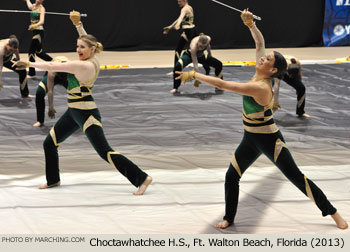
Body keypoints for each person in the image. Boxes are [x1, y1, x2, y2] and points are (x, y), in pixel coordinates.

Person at [176, 10, 348, 230]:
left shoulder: (260, 87)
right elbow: (260, 42)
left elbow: (224, 85)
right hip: (250, 139)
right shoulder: (261, 73)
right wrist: (250, 25)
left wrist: (195, 74)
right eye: (264, 57)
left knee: (297, 178)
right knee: (231, 176)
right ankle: (229, 217)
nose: (261, 58)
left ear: (273, 69)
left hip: (270, 141)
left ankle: (333, 213)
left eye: (266, 59)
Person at [13, 11, 152, 195]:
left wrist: (29, 64)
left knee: (105, 152)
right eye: (77, 46)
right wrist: (78, 25)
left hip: (86, 114)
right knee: (49, 143)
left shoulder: (83, 66)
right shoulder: (92, 59)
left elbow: (53, 67)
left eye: (82, 48)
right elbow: (86, 40)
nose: (78, 50)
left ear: (92, 50)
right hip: (74, 112)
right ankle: (53, 180)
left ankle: (141, 178)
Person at [163, 0, 210, 75]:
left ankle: (175, 70)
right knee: (199, 51)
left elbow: (180, 18)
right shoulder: (189, 7)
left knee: (178, 50)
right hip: (193, 30)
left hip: (188, 32)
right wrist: (170, 27)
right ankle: (207, 69)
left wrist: (177, 25)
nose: (178, 3)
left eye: (180, 1)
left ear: (185, 1)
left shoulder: (184, 9)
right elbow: (179, 19)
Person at [33, 56, 69, 127]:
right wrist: (51, 108)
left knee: (78, 93)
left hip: (67, 75)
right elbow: (50, 91)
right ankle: (40, 120)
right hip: (53, 74)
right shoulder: (52, 69)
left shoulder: (71, 69)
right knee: (39, 92)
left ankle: (81, 117)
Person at [25, 0, 52, 78]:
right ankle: (54, 63)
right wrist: (27, 0)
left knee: (31, 52)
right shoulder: (33, 6)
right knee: (39, 52)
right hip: (35, 31)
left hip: (39, 32)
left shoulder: (42, 8)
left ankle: (31, 73)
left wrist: (34, 25)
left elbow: (42, 21)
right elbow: (29, 6)